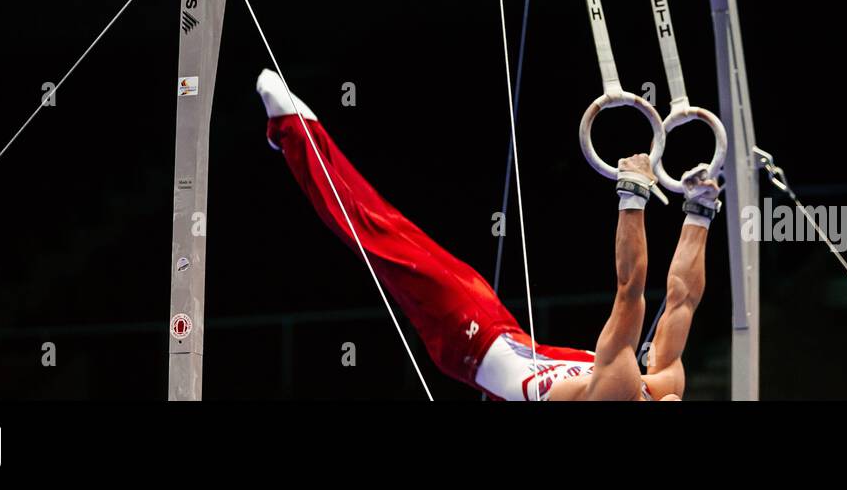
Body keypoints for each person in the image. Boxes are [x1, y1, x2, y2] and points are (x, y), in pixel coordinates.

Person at [256, 68, 720, 400]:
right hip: (506, 335)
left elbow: (630, 291)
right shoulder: (662, 385)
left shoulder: (616, 395)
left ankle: (293, 131)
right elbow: (681, 299)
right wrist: (699, 211)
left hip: (471, 342)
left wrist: (633, 195)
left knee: (378, 235)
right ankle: (299, 133)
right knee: (390, 229)